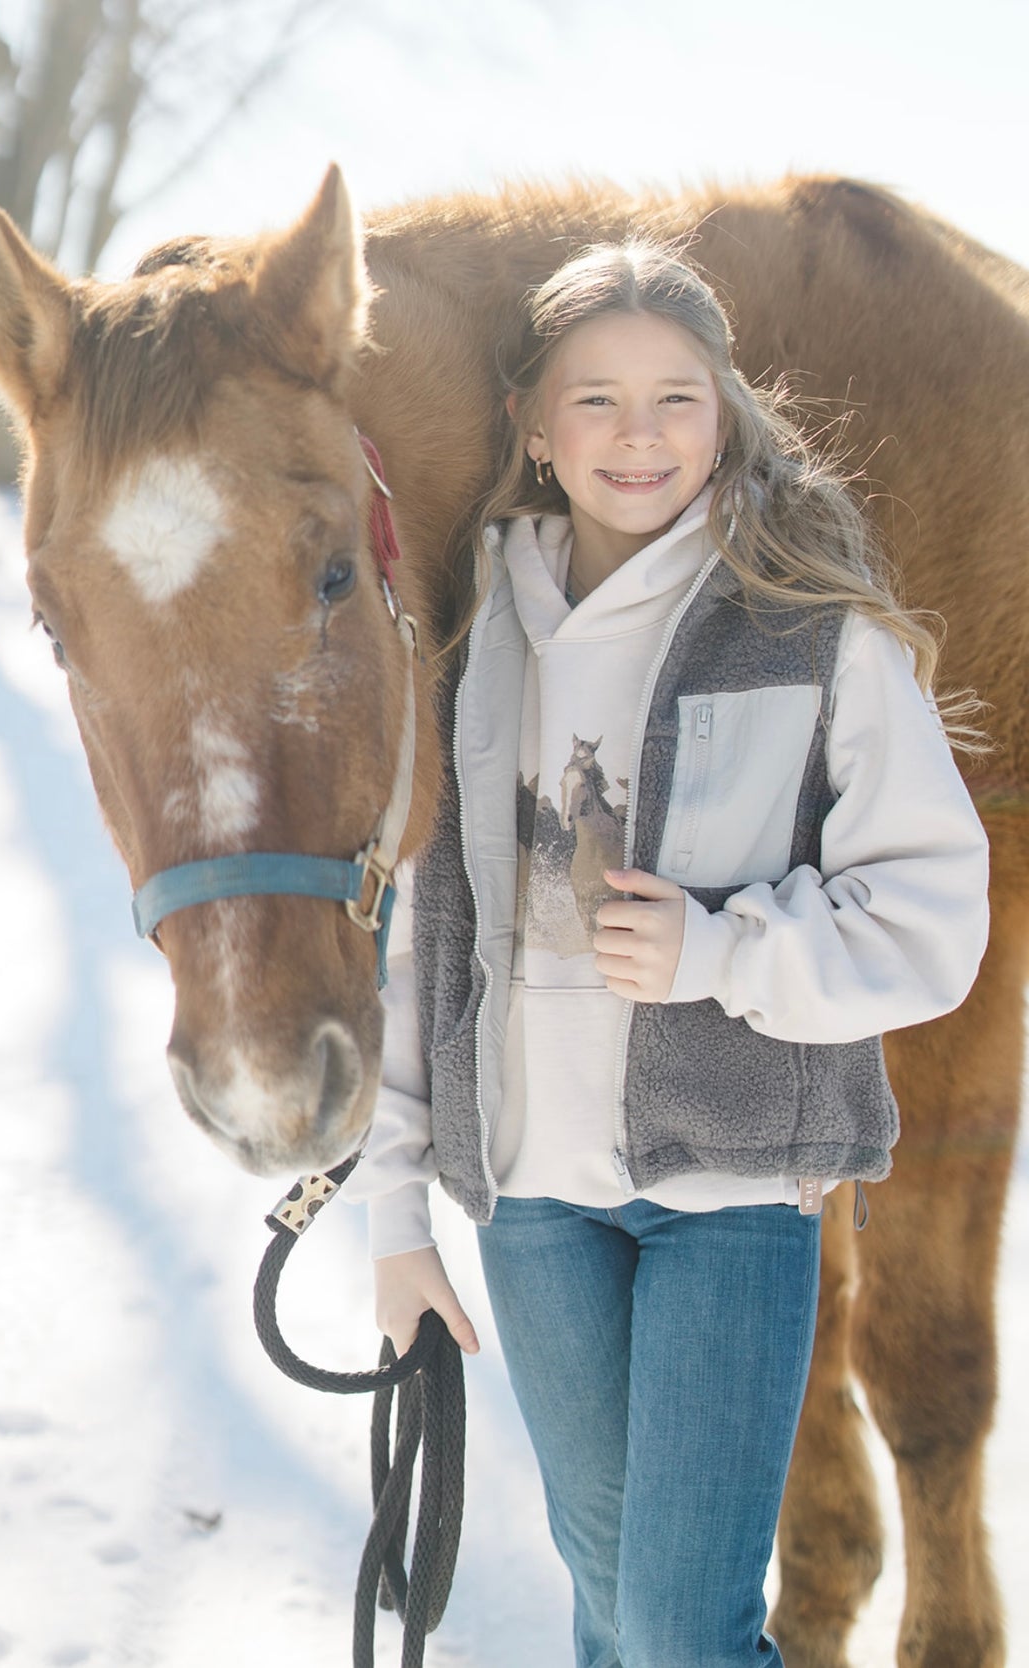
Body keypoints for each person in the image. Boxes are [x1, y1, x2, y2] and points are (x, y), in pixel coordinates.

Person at [345, 237, 989, 1668]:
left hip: (732, 1195)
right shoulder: (466, 646)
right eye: (595, 400)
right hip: (531, 1212)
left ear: (728, 413)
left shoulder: (812, 634)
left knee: (685, 1633)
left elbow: (935, 924)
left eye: (675, 400)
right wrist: (397, 1221)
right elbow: (424, 953)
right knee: (614, 1616)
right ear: (530, 425)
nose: (637, 437)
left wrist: (719, 950)